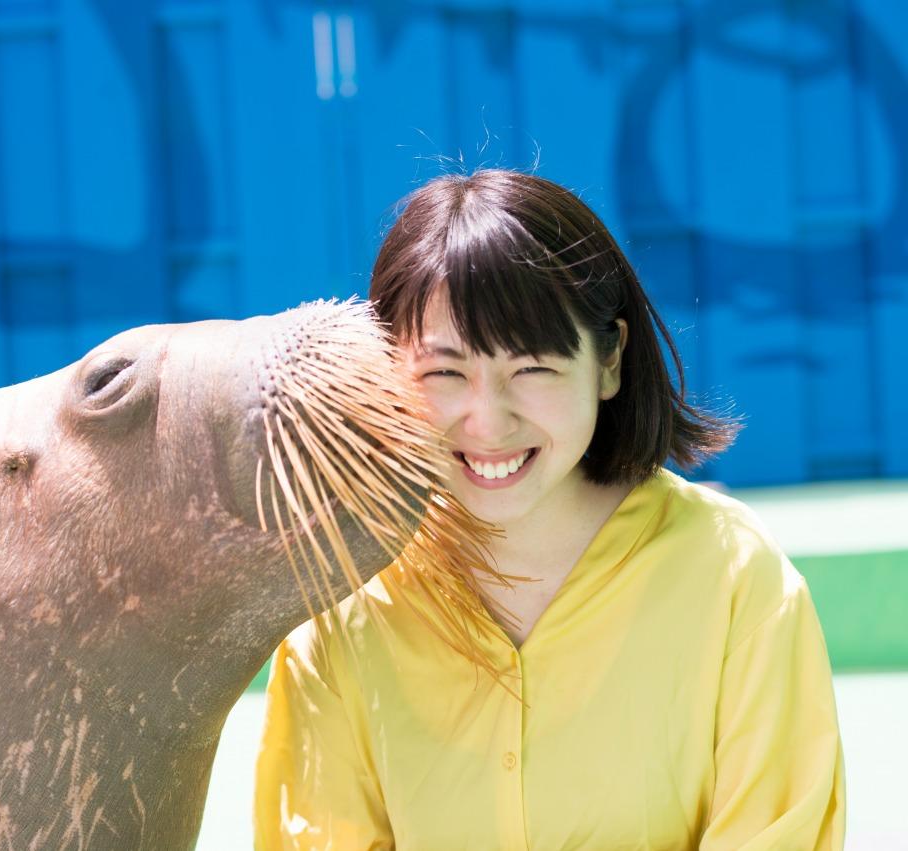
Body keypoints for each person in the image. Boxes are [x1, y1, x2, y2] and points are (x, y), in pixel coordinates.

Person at [254, 168, 844, 849]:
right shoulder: (344, 600)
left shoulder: (734, 578)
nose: (487, 419)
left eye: (531, 367)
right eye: (444, 372)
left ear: (610, 358)